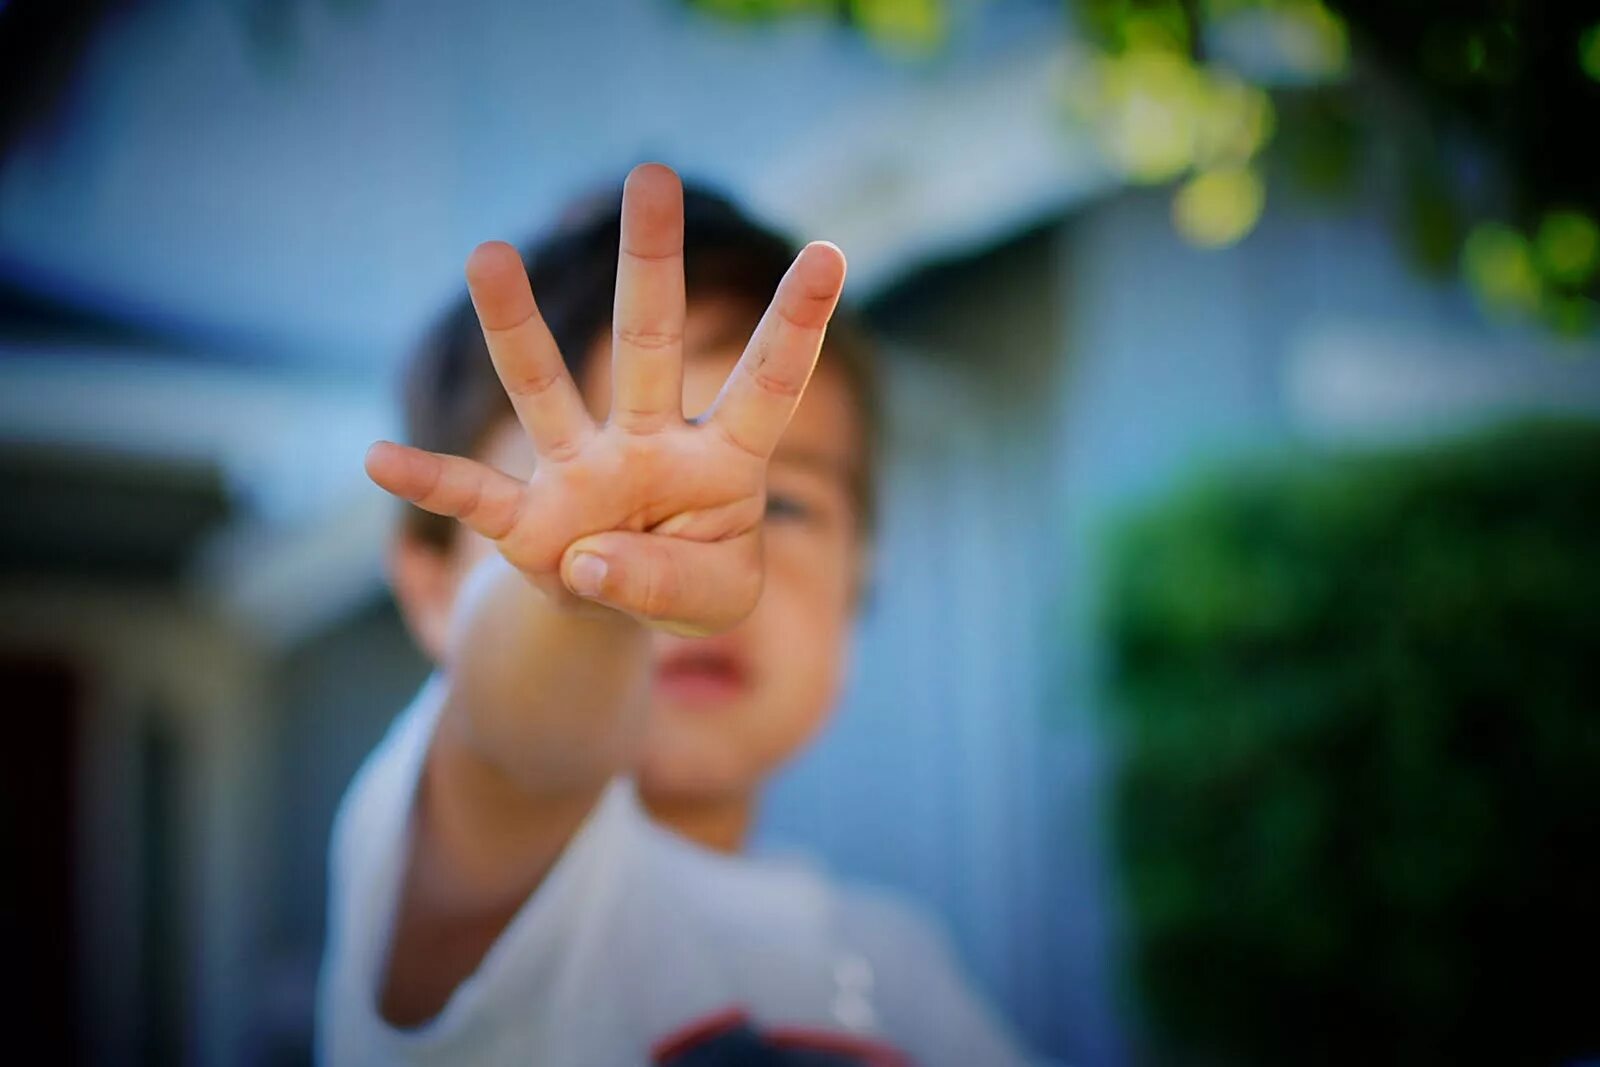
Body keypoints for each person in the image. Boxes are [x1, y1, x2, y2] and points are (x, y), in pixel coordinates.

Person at [317, 163, 1030, 1066]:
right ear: (430, 587)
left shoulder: (902, 965)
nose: (683, 554)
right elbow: (521, 746)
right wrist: (583, 597)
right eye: (587, 503)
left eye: (784, 506)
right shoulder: (488, 875)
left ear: (863, 574)